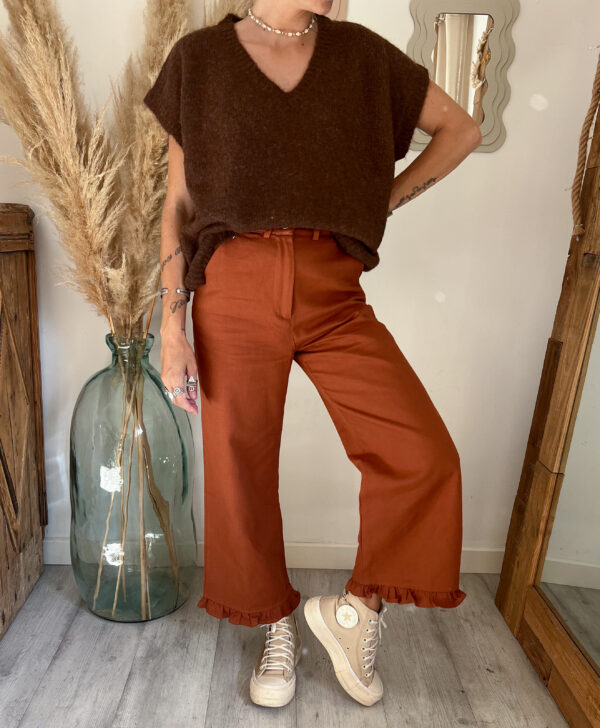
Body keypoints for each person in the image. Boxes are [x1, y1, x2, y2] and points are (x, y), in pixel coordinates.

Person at [143, 0, 481, 710]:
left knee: (421, 454)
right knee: (240, 469)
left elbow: (462, 129)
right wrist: (171, 327)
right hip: (233, 286)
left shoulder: (363, 57)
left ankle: (355, 612)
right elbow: (178, 203)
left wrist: (381, 201)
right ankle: (275, 625)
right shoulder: (200, 62)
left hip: (334, 290)